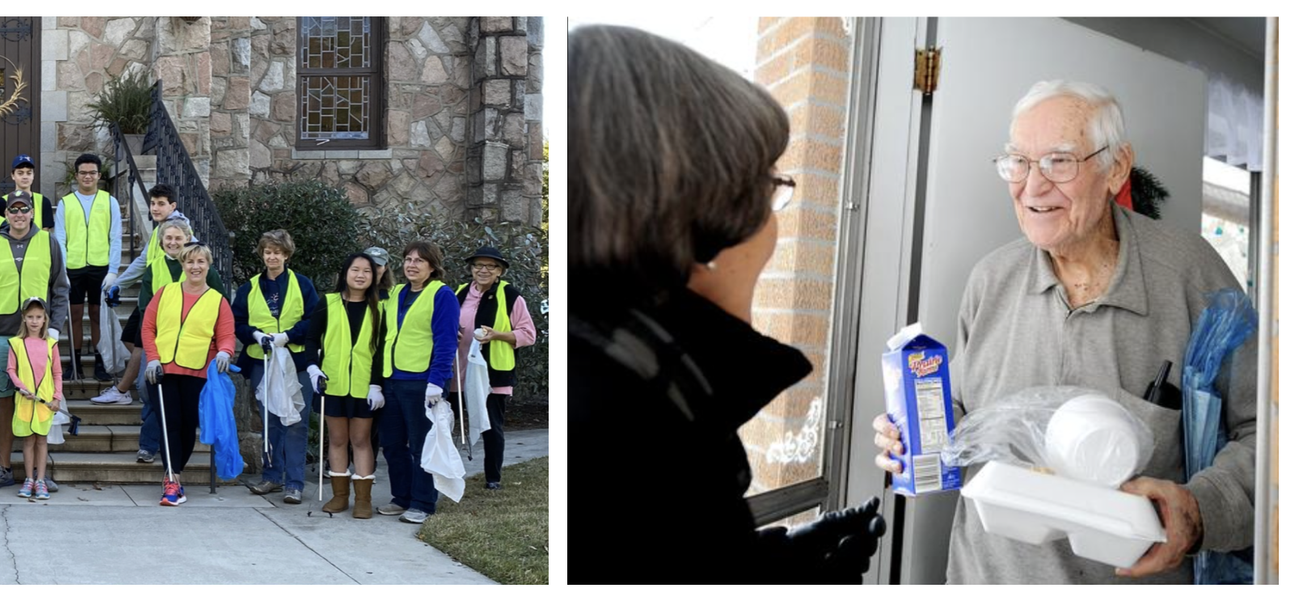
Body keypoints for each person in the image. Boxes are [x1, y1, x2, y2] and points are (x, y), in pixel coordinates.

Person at [867, 80, 1255, 584]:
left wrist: (1201, 509)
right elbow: (964, 416)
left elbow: (1268, 430)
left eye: (1059, 161)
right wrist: (917, 433)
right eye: (1018, 162)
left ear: (1116, 166)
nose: (1032, 187)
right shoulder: (989, 279)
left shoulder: (1190, 273)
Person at [568, 24, 885, 584]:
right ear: (705, 211)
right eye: (769, 189)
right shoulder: (634, 432)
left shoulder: (628, 372)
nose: (773, 227)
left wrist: (767, 562)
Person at [0, 195, 68, 492]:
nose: (19, 215)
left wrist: (55, 329)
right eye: (13, 210)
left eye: (24, 209)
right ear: (6, 214)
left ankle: (39, 473)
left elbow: (60, 289)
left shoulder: (49, 243)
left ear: (32, 212)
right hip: (1, 334)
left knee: (41, 402)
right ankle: (3, 467)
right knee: (5, 403)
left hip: (39, 338)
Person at [139, 243, 236, 507]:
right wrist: (153, 357)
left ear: (208, 265)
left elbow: (226, 335)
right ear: (182, 265)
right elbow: (148, 328)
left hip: (199, 373)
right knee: (168, 425)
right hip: (163, 372)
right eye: (190, 261)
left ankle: (174, 476)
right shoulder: (164, 293)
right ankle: (172, 480)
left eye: (201, 262)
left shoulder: (218, 300)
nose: (195, 267)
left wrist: (225, 352)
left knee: (186, 427)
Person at [233, 230, 323, 503]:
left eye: (277, 252)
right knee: (270, 420)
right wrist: (255, 335)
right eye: (267, 252)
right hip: (263, 360)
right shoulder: (249, 287)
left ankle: (294, 483)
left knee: (296, 421)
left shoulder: (303, 284)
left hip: (296, 360)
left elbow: (315, 319)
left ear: (286, 254)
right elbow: (237, 322)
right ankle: (272, 477)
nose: (272, 257)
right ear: (262, 254)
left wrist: (289, 336)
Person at [375, 243, 457, 525]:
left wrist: (437, 381)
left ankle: (423, 502)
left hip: (422, 381)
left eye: (419, 261)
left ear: (432, 267)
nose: (412, 265)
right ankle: (401, 497)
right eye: (408, 259)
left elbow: (446, 341)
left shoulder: (442, 294)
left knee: (422, 445)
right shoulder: (397, 293)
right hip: (392, 379)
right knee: (392, 443)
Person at [96, 184, 195, 406]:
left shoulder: (179, 231)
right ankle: (153, 369)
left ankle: (124, 389)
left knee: (141, 344)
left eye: (161, 204)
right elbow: (143, 260)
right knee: (129, 338)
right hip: (150, 299)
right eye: (152, 203)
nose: (155, 208)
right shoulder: (161, 228)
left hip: (168, 305)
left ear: (173, 206)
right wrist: (118, 285)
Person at [313, 253, 385, 519]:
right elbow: (312, 339)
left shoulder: (380, 307)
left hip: (364, 386)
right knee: (338, 440)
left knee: (361, 440)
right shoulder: (328, 303)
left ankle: (363, 498)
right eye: (355, 269)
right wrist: (312, 367)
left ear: (374, 277)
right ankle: (340, 495)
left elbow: (382, 349)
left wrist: (376, 384)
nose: (361, 275)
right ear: (345, 273)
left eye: (367, 271)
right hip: (334, 384)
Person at [457, 246, 533, 489]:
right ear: (471, 269)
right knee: (446, 422)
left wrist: (497, 335)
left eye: (490, 266)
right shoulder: (459, 293)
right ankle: (448, 473)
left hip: (493, 374)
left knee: (491, 426)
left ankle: (492, 478)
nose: (483, 270)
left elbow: (528, 334)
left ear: (499, 271)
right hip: (457, 370)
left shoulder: (510, 295)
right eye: (478, 265)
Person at [125, 219, 198, 466]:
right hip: (157, 339)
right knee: (148, 388)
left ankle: (149, 445)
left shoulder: (198, 265)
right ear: (162, 242)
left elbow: (215, 301)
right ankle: (155, 439)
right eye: (168, 238)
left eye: (178, 238)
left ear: (187, 239)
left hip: (189, 344)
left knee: (168, 393)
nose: (173, 242)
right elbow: (145, 306)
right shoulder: (154, 267)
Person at [56, 153, 125, 381]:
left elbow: (115, 237)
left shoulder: (109, 201)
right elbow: (60, 238)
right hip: (73, 268)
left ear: (99, 175)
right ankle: (73, 363)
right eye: (83, 173)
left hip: (100, 267)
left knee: (97, 314)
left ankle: (100, 362)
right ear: (76, 175)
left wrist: (113, 270)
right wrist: (63, 269)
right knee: (74, 315)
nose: (87, 177)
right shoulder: (66, 203)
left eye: (92, 173)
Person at [2, 299, 63, 500]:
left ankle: (41, 480)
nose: (34, 321)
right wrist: (21, 387)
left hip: (44, 401)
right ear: (24, 318)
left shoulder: (51, 344)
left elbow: (57, 373)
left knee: (42, 439)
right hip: (25, 401)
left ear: (45, 319)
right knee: (28, 440)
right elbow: (11, 369)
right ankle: (28, 479)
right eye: (30, 317)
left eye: (38, 317)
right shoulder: (16, 343)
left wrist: (56, 397)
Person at [5, 155, 49, 231]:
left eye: (29, 173)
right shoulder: (3, 201)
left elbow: (46, 231)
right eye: (20, 173)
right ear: (13, 175)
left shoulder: (43, 201)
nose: (25, 177)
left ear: (33, 175)